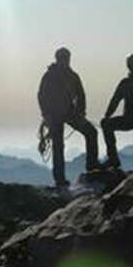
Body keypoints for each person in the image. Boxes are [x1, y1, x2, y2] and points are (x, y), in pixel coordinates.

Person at [38, 48, 100, 187]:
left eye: (66, 58)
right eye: (64, 58)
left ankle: (91, 166)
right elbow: (42, 95)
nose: (66, 61)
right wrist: (46, 114)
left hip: (65, 114)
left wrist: (80, 112)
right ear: (59, 59)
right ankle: (61, 179)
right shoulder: (53, 76)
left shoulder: (64, 76)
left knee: (90, 133)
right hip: (57, 115)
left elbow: (81, 95)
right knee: (60, 144)